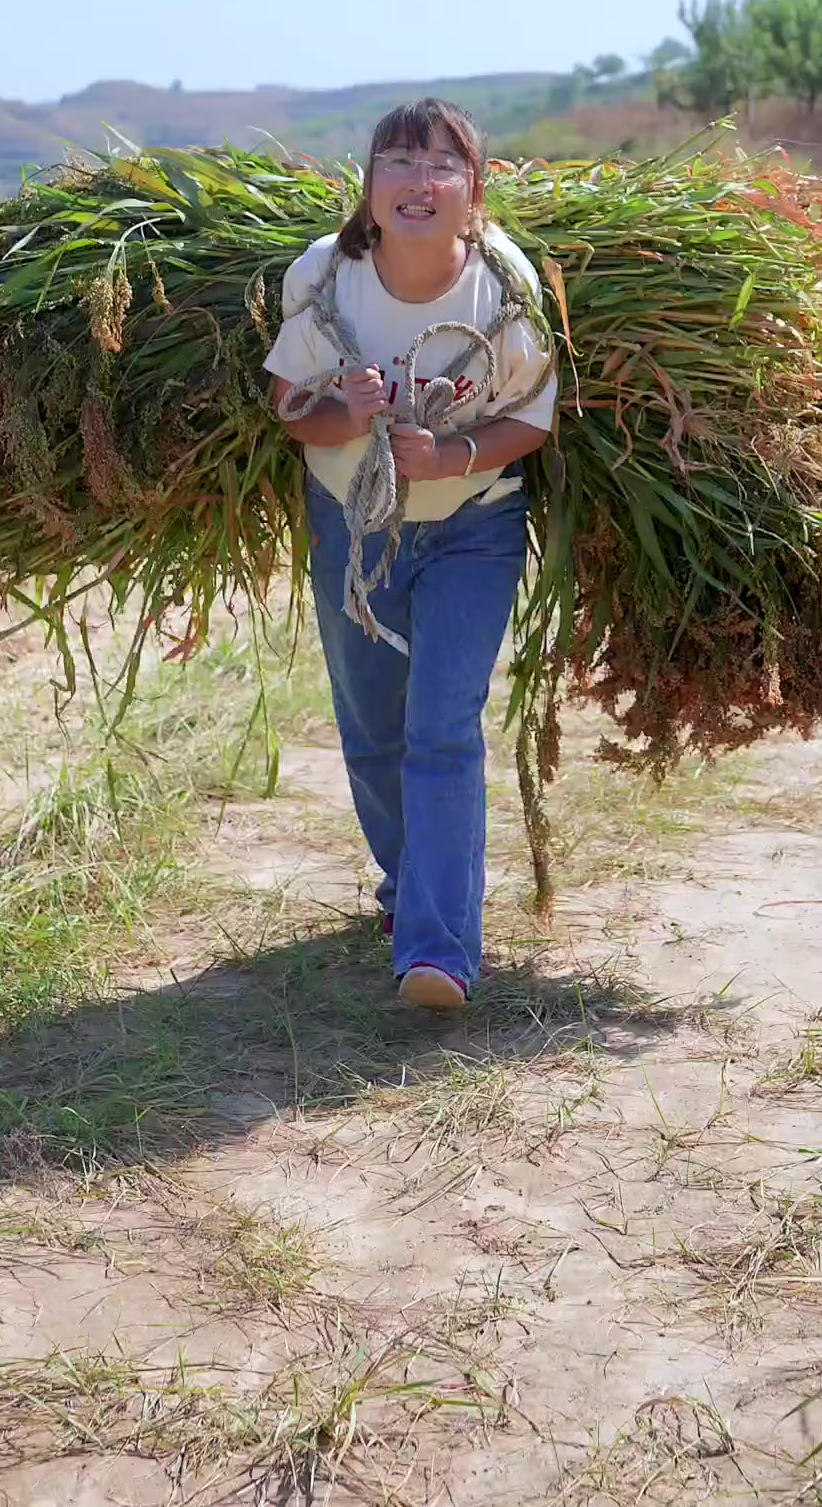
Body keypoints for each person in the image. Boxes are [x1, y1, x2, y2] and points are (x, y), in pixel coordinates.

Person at [264, 99, 557, 1010]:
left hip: (475, 523)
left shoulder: (503, 287)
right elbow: (284, 405)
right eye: (396, 161)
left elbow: (532, 421)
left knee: (441, 723)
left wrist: (453, 457)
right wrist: (343, 416)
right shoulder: (326, 276)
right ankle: (407, 890)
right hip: (354, 525)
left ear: (473, 193)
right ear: (369, 188)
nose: (417, 181)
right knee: (374, 726)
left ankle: (438, 951)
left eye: (440, 165)